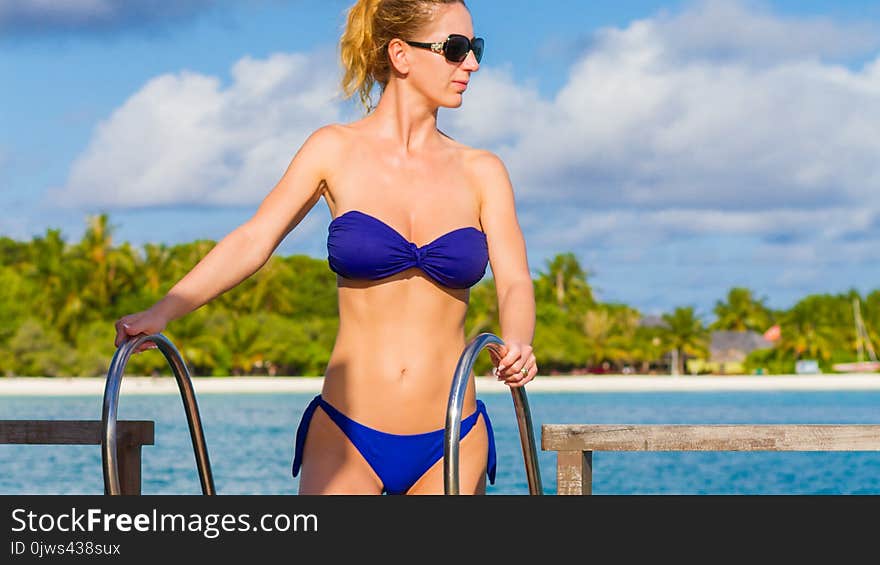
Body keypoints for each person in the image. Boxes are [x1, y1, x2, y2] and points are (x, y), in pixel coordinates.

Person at [113, 0, 537, 495]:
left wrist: (519, 340)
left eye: (475, 48)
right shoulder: (333, 150)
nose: (472, 63)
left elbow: (513, 280)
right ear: (400, 54)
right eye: (456, 49)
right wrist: (164, 311)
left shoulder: (482, 171)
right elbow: (254, 239)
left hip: (451, 433)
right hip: (347, 432)